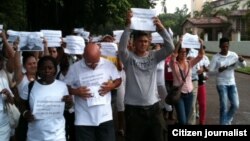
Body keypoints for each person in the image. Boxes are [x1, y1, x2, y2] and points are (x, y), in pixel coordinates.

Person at [118, 11, 174, 141]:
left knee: (158, 137)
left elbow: (170, 47)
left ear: (149, 42)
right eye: (140, 41)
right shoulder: (128, 58)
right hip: (133, 110)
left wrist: (161, 29)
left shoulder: (154, 56)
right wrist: (128, 27)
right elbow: (121, 49)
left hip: (154, 107)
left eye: (145, 41)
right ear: (134, 42)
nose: (143, 44)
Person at [64, 43, 121, 141]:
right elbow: (64, 87)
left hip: (105, 117)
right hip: (84, 118)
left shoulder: (108, 64)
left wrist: (112, 86)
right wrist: (75, 91)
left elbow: (118, 80)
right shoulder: (75, 68)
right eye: (89, 63)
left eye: (96, 63)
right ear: (83, 56)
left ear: (100, 55)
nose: (93, 66)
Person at [19, 56, 72, 141]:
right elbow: (20, 103)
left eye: (50, 68)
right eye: (43, 68)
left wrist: (69, 103)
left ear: (55, 70)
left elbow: (66, 107)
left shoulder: (62, 86)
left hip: (57, 136)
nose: (47, 71)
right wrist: (25, 113)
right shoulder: (30, 86)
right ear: (38, 70)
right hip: (35, 136)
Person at [209, 37, 246, 125]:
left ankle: (226, 120)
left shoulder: (233, 55)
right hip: (221, 83)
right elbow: (209, 73)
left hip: (232, 83)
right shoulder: (216, 57)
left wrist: (242, 61)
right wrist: (218, 70)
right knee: (224, 106)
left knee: (235, 105)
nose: (225, 49)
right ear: (219, 46)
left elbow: (243, 66)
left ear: (229, 46)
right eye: (223, 47)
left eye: (227, 46)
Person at [169, 38, 204, 125]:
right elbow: (173, 55)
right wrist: (178, 44)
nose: (184, 53)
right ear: (178, 53)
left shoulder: (189, 63)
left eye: (185, 52)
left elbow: (200, 56)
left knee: (186, 118)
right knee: (183, 120)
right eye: (181, 51)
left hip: (190, 94)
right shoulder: (173, 64)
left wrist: (201, 45)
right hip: (179, 94)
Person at [0, 54, 15, 141]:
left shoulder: (3, 79)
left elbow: (12, 102)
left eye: (1, 61)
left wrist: (8, 94)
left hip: (3, 123)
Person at [197, 46, 210, 125]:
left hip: (201, 82)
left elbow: (208, 68)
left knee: (202, 104)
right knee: (193, 104)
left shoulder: (205, 58)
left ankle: (202, 122)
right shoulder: (192, 56)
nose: (202, 52)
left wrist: (204, 69)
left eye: (203, 50)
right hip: (191, 83)